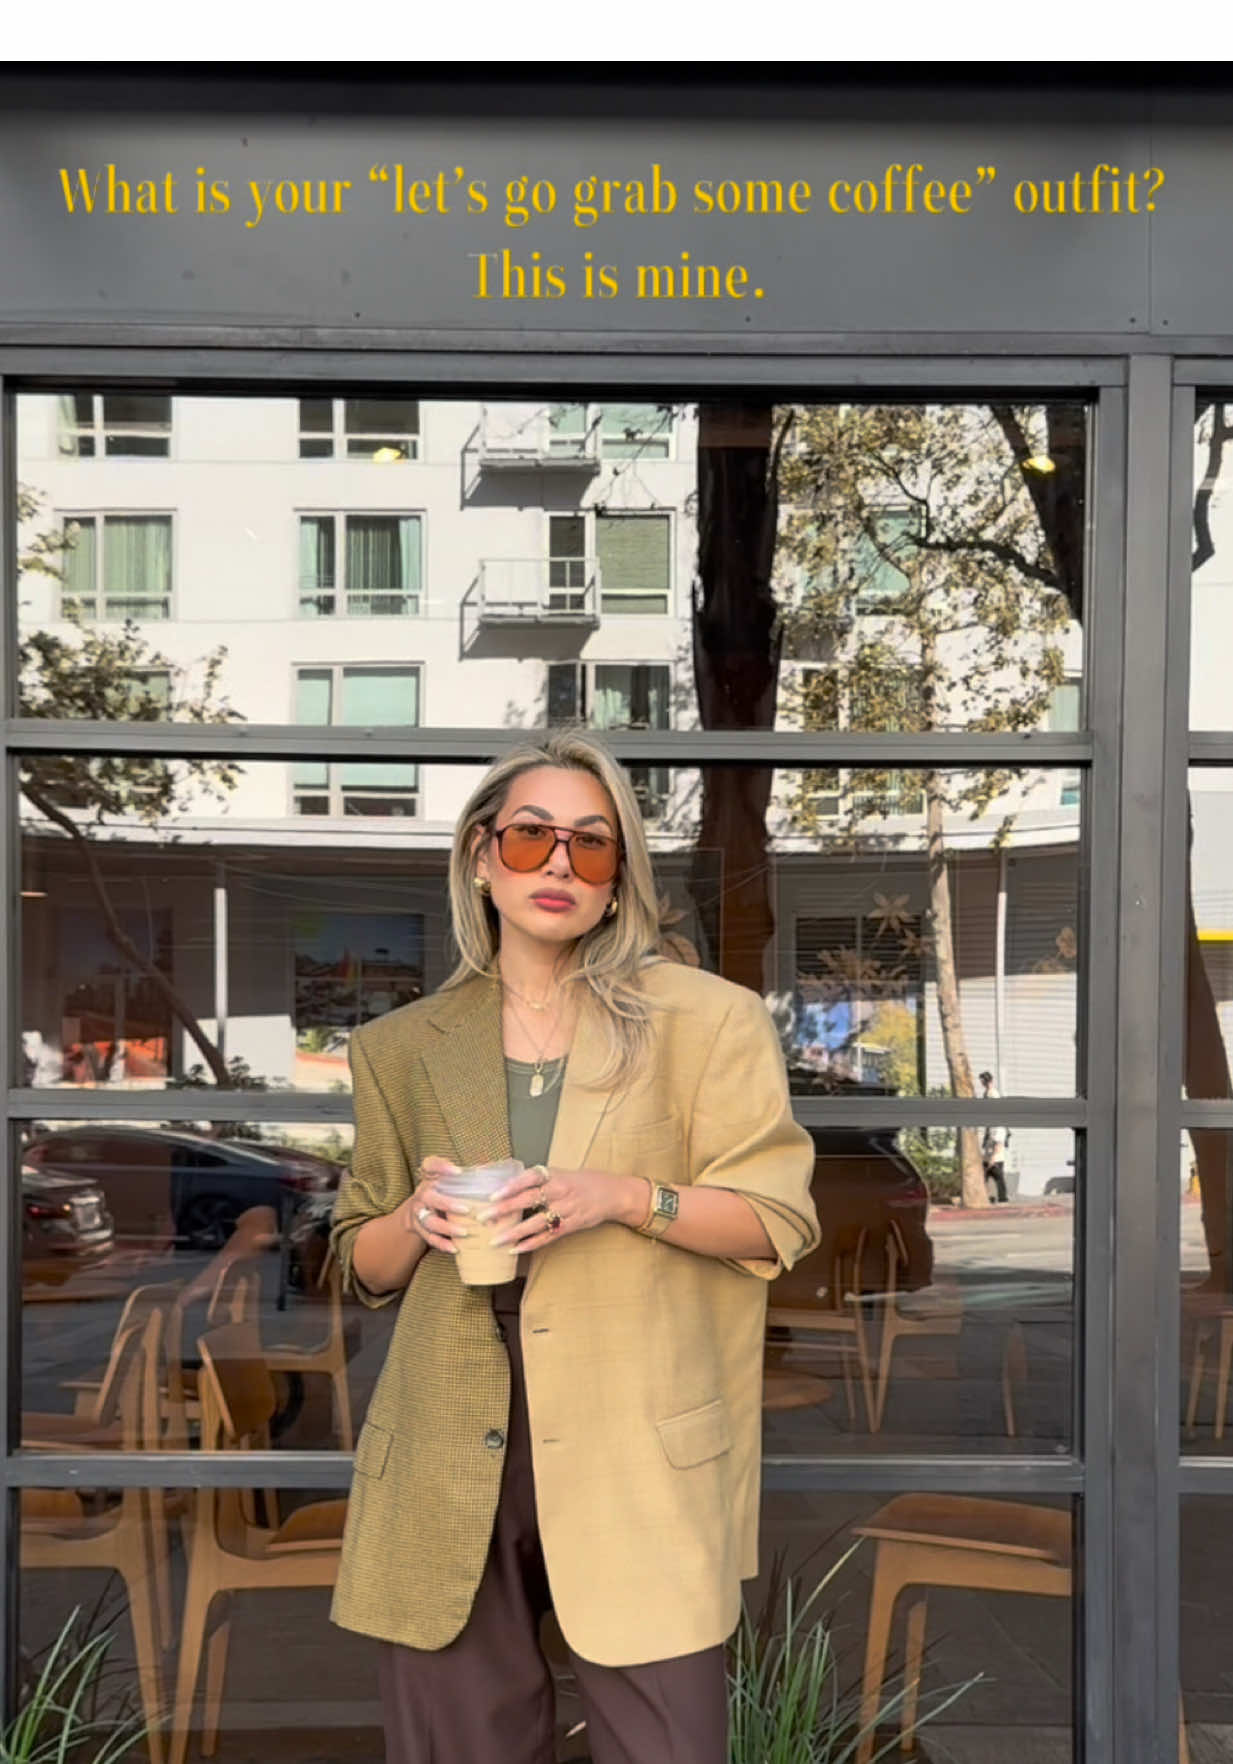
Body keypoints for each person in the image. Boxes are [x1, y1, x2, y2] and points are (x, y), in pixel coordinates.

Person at [328, 730, 820, 1764]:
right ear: (480, 855)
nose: (558, 863)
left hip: (636, 1435)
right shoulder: (400, 1047)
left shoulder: (706, 1021)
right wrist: (417, 1221)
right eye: (531, 836)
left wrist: (623, 1197)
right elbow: (360, 1262)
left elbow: (775, 1219)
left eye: (591, 845)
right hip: (445, 1436)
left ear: (617, 877)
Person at [979, 1069, 1009, 1204]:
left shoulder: (993, 1094)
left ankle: (1002, 1198)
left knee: (996, 1175)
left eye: (984, 1081)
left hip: (995, 1154)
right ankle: (994, 1197)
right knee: (987, 1175)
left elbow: (999, 1141)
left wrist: (992, 1156)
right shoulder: (988, 1093)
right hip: (990, 1151)